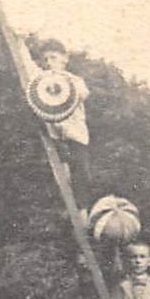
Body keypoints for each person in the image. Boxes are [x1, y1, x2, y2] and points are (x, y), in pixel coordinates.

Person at [32, 39, 93, 193]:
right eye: (46, 59)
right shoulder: (43, 81)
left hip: (75, 136)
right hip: (56, 137)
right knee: (61, 179)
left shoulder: (74, 80)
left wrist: (61, 82)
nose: (49, 63)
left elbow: (83, 94)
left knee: (81, 176)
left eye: (53, 57)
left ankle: (82, 213)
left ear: (64, 58)